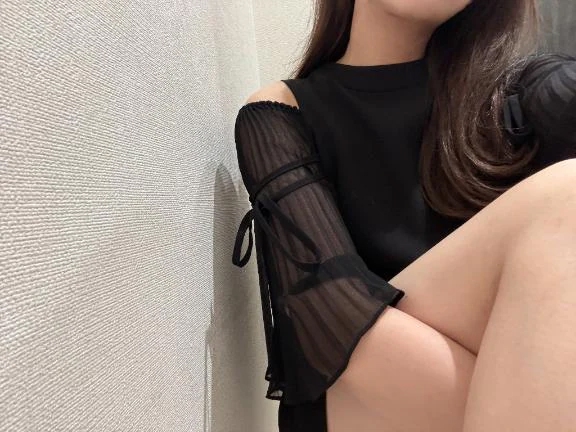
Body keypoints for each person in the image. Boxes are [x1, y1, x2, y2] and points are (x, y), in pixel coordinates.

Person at [231, 0, 576, 431]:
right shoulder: (283, 112)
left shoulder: (522, 96)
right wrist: (538, 391)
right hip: (352, 394)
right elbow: (330, 318)